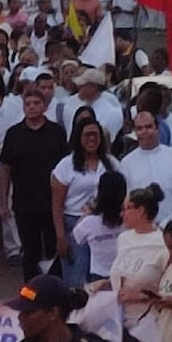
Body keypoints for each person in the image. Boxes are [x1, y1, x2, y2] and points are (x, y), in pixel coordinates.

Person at [108, 183, 169, 342]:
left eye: (127, 208)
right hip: (122, 318)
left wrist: (140, 295)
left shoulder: (163, 242)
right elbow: (120, 273)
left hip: (151, 320)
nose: (122, 213)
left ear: (141, 211)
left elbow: (169, 286)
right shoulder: (124, 239)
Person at [0, 89, 71, 282]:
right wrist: (3, 203)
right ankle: (30, 294)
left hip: (52, 203)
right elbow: (4, 170)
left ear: (45, 106)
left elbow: (66, 169)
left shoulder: (56, 132)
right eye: (28, 103)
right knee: (30, 252)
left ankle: (54, 292)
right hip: (24, 204)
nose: (31, 107)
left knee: (52, 249)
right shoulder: (14, 134)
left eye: (36, 103)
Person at [52, 117, 121, 288]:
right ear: (78, 137)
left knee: (103, 276)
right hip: (74, 223)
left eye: (95, 135)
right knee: (77, 278)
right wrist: (60, 236)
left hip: (106, 223)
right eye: (87, 135)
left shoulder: (111, 163)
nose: (91, 139)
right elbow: (57, 204)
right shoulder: (66, 165)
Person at [121, 111, 172, 225]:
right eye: (139, 128)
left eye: (148, 127)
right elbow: (128, 198)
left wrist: (168, 223)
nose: (144, 132)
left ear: (157, 129)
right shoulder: (126, 163)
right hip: (140, 229)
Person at [71, 171, 126, 281]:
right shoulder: (129, 220)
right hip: (124, 275)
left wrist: (87, 214)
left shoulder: (89, 222)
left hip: (99, 277)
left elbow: (76, 237)